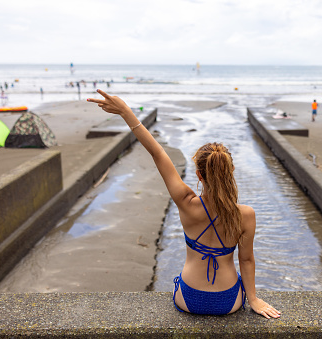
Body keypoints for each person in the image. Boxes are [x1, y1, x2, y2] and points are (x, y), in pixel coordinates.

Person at [87, 90, 281, 319]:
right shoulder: (246, 215)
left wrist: (126, 112)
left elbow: (158, 153)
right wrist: (254, 300)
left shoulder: (186, 203)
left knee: (177, 280)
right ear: (231, 171)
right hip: (228, 301)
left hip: (188, 298)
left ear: (199, 175)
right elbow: (246, 260)